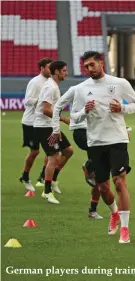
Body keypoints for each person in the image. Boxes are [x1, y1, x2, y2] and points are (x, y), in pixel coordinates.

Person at [71, 51, 135, 243]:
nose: (89, 69)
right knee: (102, 187)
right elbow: (74, 114)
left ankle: (125, 230)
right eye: (86, 66)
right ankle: (114, 214)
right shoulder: (82, 88)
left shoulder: (119, 83)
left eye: (92, 64)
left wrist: (124, 108)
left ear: (101, 63)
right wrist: (83, 112)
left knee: (119, 182)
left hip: (117, 140)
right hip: (95, 142)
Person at [49, 86, 103, 219]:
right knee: (99, 168)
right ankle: (89, 166)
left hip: (97, 132)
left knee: (100, 173)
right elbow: (57, 106)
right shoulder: (77, 89)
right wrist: (56, 129)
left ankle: (93, 210)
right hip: (82, 132)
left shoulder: (105, 88)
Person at [33, 60, 73, 204]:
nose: (66, 73)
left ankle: (53, 179)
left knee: (68, 150)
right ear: (56, 72)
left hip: (50, 125)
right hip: (43, 126)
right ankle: (47, 191)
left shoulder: (54, 86)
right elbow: (46, 109)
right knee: (54, 157)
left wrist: (56, 125)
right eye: (64, 70)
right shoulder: (50, 87)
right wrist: (63, 119)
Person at [19, 58, 53, 192]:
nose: (51, 70)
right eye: (49, 67)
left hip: (44, 122)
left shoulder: (50, 82)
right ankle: (25, 176)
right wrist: (43, 101)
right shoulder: (35, 82)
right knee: (35, 151)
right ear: (42, 68)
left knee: (52, 151)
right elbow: (27, 102)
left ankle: (43, 177)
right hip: (31, 122)